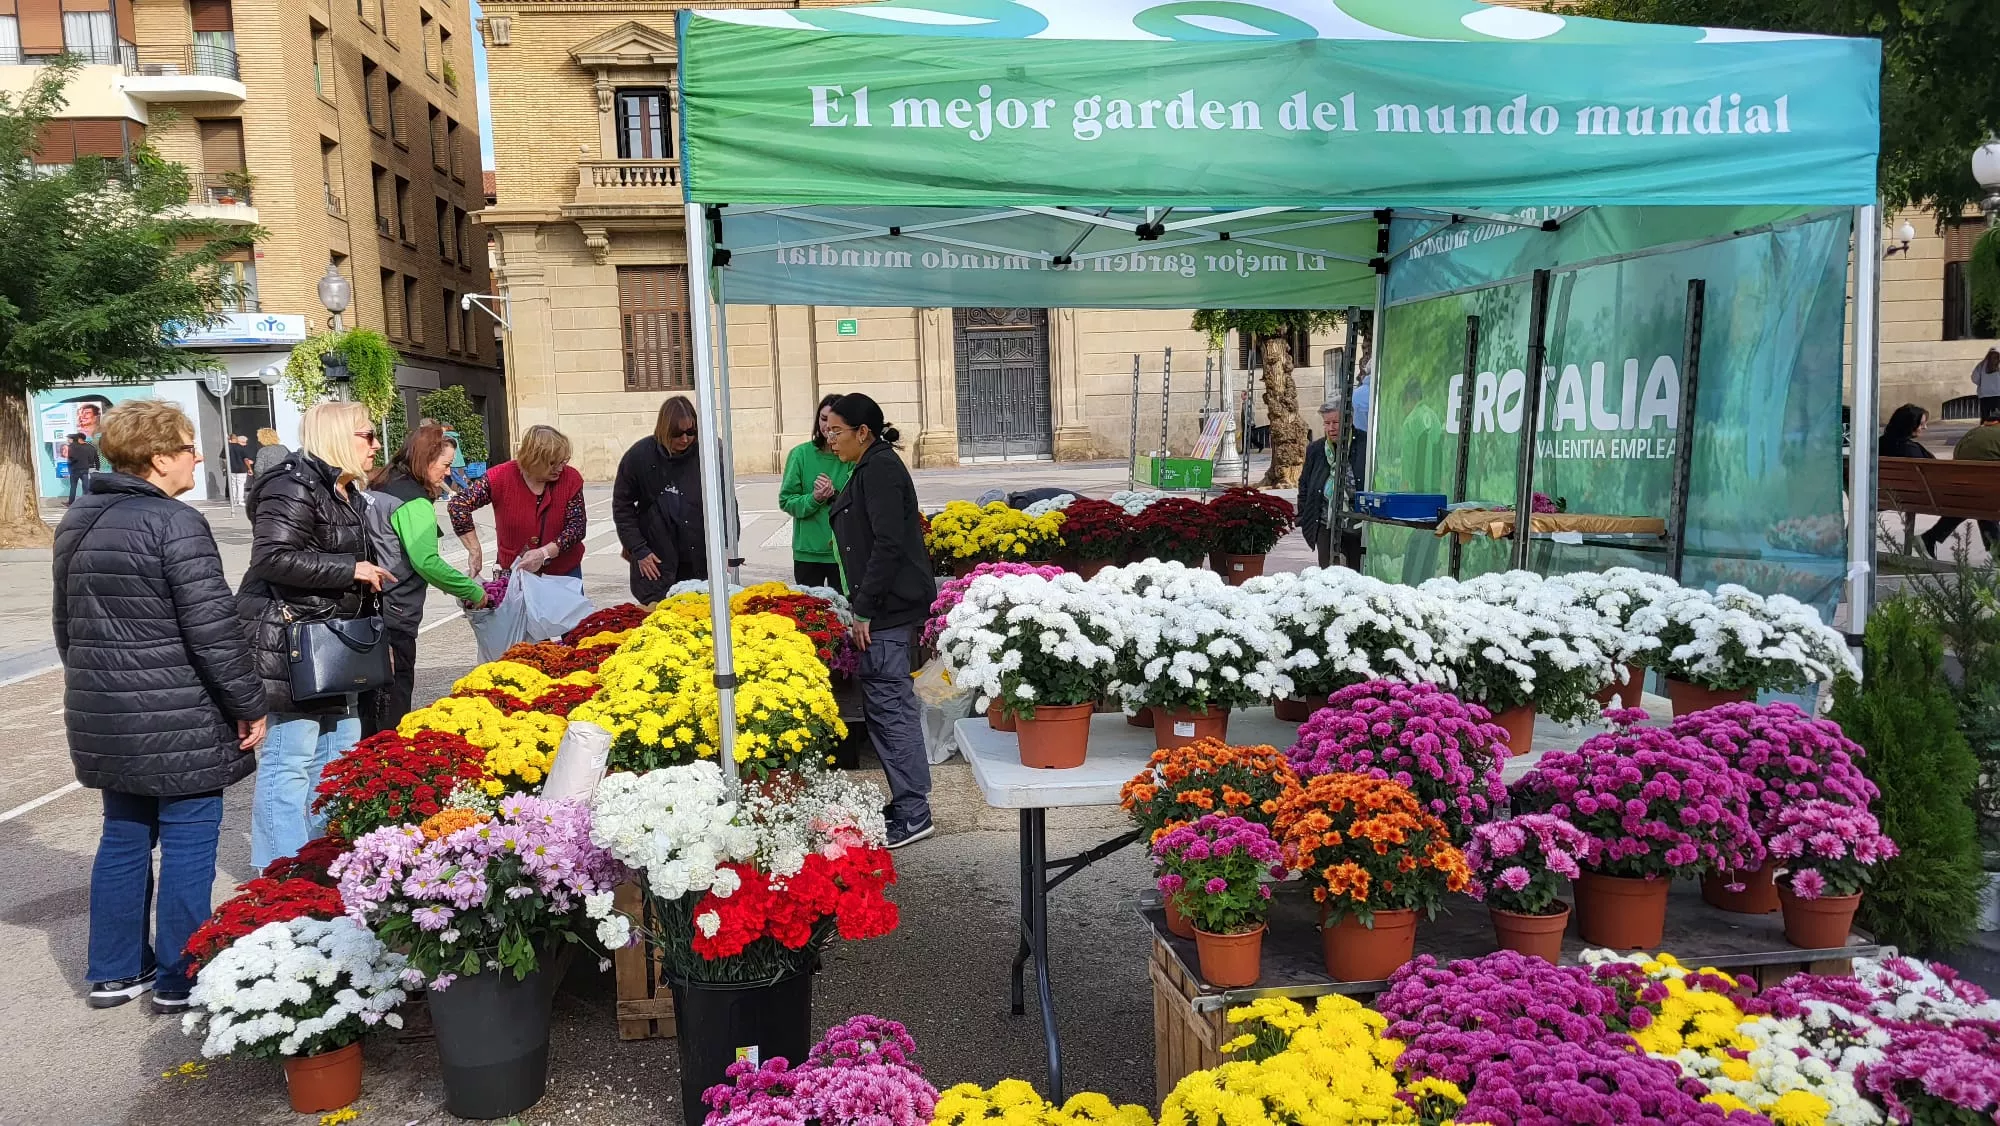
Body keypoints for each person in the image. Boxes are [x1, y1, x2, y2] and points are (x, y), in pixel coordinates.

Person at [55, 400, 266, 1011]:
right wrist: (248, 702)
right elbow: (213, 629)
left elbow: (66, 629)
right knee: (189, 838)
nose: (198, 456)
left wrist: (102, 690)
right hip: (181, 712)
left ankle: (115, 971)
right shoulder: (174, 523)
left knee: (122, 836)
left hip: (106, 711)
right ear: (157, 459)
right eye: (187, 446)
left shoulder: (77, 519)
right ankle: (181, 975)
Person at [239, 401, 393, 870]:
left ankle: (322, 863)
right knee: (290, 759)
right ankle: (281, 873)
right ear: (340, 437)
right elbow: (271, 557)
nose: (376, 445)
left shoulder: (342, 490)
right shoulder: (294, 485)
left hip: (332, 643)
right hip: (292, 644)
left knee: (337, 758)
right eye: (367, 435)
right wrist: (351, 568)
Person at [824, 393, 937, 849]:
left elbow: (888, 545)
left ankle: (915, 811)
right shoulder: (868, 468)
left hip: (888, 611)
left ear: (863, 432)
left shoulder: (881, 470)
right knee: (884, 706)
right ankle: (906, 801)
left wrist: (865, 607)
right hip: (881, 608)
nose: (829, 440)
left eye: (836, 431)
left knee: (891, 709)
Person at [362, 425, 488, 735]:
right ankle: (384, 768)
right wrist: (471, 589)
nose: (448, 473)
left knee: (369, 701)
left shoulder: (381, 485)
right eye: (445, 465)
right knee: (393, 698)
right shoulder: (414, 501)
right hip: (395, 608)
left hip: (370, 605)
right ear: (424, 460)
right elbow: (425, 561)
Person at [449, 424, 586, 581]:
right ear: (535, 459)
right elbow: (458, 505)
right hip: (514, 575)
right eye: (553, 463)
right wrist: (475, 550)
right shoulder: (500, 477)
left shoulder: (570, 479)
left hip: (563, 574)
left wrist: (544, 553)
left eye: (563, 461)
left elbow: (576, 528)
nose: (560, 468)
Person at [611, 396, 709, 603]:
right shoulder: (639, 456)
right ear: (664, 429)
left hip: (699, 557)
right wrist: (638, 549)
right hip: (656, 560)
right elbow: (622, 506)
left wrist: (727, 548)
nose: (684, 439)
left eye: (690, 432)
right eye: (677, 433)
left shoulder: (708, 452)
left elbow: (726, 502)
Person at [777, 394, 853, 591]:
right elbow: (786, 501)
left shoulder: (852, 456)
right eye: (823, 418)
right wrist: (815, 498)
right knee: (810, 612)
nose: (827, 425)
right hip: (808, 552)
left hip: (844, 550)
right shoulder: (800, 454)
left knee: (845, 612)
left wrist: (835, 494)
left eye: (834, 420)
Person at [1925, 400, 2000, 554]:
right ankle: (1996, 550)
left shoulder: (1973, 433)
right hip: (1987, 493)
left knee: (1977, 502)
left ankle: (1930, 537)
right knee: (1984, 502)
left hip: (1964, 490)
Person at [1296, 396, 1360, 569]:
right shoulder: (1316, 449)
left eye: (1336, 423)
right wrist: (1303, 517)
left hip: (1357, 524)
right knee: (1329, 575)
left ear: (1349, 420)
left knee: (1357, 575)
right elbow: (1304, 485)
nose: (1331, 428)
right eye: (1326, 423)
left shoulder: (1364, 445)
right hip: (1325, 523)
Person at [64, 432, 99, 506]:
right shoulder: (89, 447)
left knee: (73, 486)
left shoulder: (74, 447)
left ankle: (71, 502)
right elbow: (95, 457)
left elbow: (73, 457)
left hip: (76, 469)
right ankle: (86, 502)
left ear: (79, 439)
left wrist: (70, 462)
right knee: (86, 487)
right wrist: (97, 467)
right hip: (86, 468)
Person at [1973, 349, 2000, 419]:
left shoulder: (1981, 365)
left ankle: (1984, 428)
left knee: (1985, 417)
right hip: (1998, 394)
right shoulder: (1999, 364)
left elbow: (1974, 378)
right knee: (1998, 417)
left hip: (1984, 395)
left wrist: (1982, 384)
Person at [226, 434, 252, 507]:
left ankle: (234, 500)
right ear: (237, 439)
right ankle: (240, 500)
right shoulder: (241, 448)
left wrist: (225, 468)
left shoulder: (228, 447)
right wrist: (250, 469)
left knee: (233, 485)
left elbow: (223, 458)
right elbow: (245, 459)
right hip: (242, 468)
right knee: (240, 484)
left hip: (231, 468)